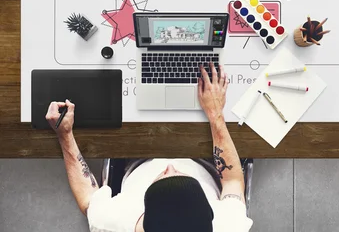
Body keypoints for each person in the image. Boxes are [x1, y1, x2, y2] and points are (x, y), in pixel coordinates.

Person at [46, 64, 253, 232]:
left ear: (143, 218)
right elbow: (233, 180)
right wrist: (215, 112)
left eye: (163, 177)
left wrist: (64, 135)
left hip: (136, 157)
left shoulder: (110, 224)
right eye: (179, 175)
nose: (170, 167)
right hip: (206, 158)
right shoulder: (229, 225)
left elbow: (88, 199)